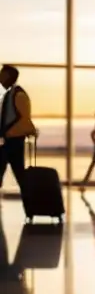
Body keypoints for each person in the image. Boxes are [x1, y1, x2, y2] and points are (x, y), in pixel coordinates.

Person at [0, 65, 36, 196]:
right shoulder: (9, 94)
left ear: (9, 77)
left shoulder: (18, 95)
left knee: (20, 174)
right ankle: (30, 203)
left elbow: (24, 119)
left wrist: (8, 133)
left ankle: (31, 204)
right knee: (18, 173)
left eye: (2, 75)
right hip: (8, 141)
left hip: (13, 141)